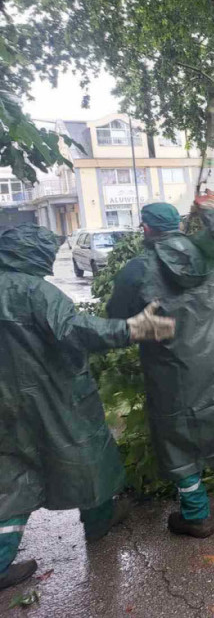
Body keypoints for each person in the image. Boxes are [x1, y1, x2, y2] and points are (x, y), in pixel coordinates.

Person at [0, 223, 175, 590]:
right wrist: (132, 329)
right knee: (89, 455)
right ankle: (98, 522)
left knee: (14, 473)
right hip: (52, 395)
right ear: (31, 252)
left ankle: (1, 560)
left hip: (8, 401)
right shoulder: (36, 292)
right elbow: (75, 330)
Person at [106, 196, 214, 539]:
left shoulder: (138, 269)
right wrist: (209, 209)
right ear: (179, 225)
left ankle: (195, 516)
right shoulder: (208, 254)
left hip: (170, 370)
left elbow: (117, 317)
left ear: (146, 229)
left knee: (177, 441)